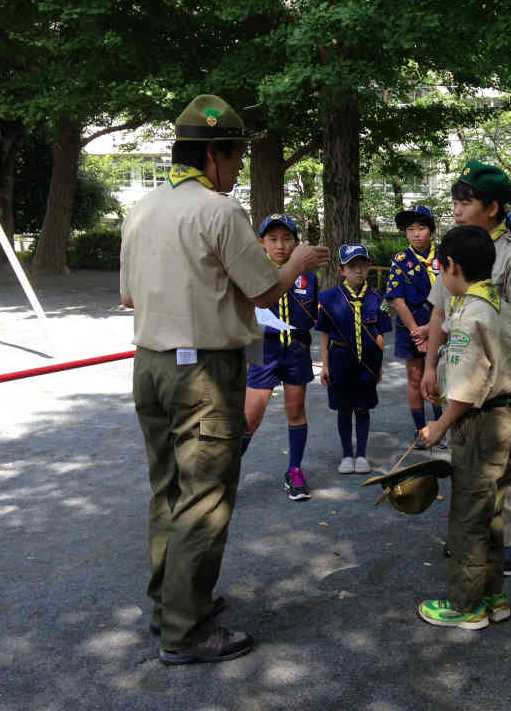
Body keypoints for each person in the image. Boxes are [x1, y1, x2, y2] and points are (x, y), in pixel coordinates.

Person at [120, 94, 329, 664]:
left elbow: (128, 296)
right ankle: (186, 632)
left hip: (150, 364)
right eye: (236, 156)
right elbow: (263, 291)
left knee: (168, 489)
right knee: (205, 498)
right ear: (213, 153)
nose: (238, 168)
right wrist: (297, 263)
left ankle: (170, 605)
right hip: (203, 372)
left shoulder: (141, 209)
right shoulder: (218, 210)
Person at [419, 160, 511, 576]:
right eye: (454, 201)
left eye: (465, 202)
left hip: (498, 383)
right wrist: (430, 367)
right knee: (467, 457)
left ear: (491, 207)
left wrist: (506, 384)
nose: (456, 209)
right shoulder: (455, 247)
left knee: (507, 458)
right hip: (459, 374)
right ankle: (472, 539)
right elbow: (439, 311)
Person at [417, 226, 511, 629]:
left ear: (451, 266)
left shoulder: (470, 314)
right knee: (492, 513)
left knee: (468, 515)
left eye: (440, 268)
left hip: (480, 424)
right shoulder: (501, 306)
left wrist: (439, 426)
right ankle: (492, 594)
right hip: (507, 418)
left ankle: (466, 606)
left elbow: (466, 389)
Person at [242, 214, 318, 501]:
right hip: (262, 349)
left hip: (296, 351)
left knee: (296, 411)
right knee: (250, 418)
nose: (280, 245)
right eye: (273, 239)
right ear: (261, 242)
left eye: (287, 239)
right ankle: (225, 473)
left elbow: (311, 315)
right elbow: (244, 315)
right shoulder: (253, 272)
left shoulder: (308, 276)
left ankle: (294, 470)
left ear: (296, 243)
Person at [316, 244, 392, 475]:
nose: (358, 270)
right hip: (340, 360)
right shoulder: (329, 298)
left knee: (363, 407)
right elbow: (324, 334)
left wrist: (379, 365)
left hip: (368, 362)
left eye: (363, 265)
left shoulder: (378, 297)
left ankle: (361, 455)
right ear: (342, 270)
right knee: (344, 408)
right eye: (352, 266)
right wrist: (325, 365)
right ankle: (347, 454)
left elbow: (380, 334)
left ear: (369, 267)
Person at [385, 205, 445, 448]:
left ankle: (441, 428)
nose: (416, 234)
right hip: (409, 328)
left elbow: (452, 295)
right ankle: (420, 429)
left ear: (432, 231)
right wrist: (417, 333)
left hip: (441, 326)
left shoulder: (444, 256)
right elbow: (397, 300)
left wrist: (429, 329)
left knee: (438, 378)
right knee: (415, 378)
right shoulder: (401, 260)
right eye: (410, 229)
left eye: (421, 228)